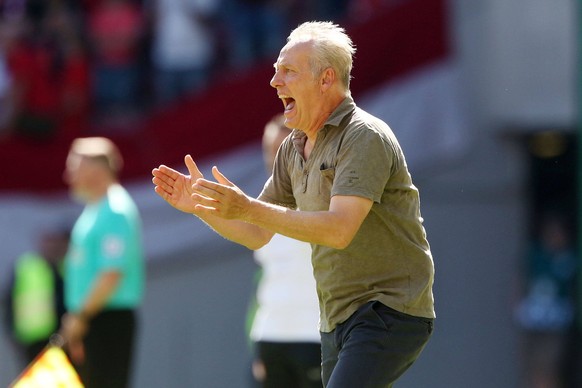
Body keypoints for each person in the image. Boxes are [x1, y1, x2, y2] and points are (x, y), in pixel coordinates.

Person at [152, 21, 435, 387]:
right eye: (275, 72)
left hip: (388, 310)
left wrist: (245, 206)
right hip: (336, 317)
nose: (274, 82)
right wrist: (202, 207)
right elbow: (256, 234)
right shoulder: (293, 147)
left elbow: (339, 229)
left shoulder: (364, 136)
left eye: (288, 72)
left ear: (326, 79)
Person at [60, 136, 145, 388]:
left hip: (106, 321)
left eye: (74, 167)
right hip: (93, 319)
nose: (67, 175)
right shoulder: (97, 208)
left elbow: (111, 273)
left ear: (95, 170)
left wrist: (81, 317)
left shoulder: (115, 210)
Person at [248, 113, 321, 387]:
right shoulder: (261, 203)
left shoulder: (325, 196)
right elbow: (265, 280)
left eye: (281, 150)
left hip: (314, 334)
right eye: (269, 150)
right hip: (269, 335)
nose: (273, 157)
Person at [3, 226, 69, 367]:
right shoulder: (26, 267)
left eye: (56, 241)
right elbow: (10, 303)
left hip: (64, 336)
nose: (53, 245)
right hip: (32, 339)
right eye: (49, 240)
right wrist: (12, 333)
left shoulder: (68, 267)